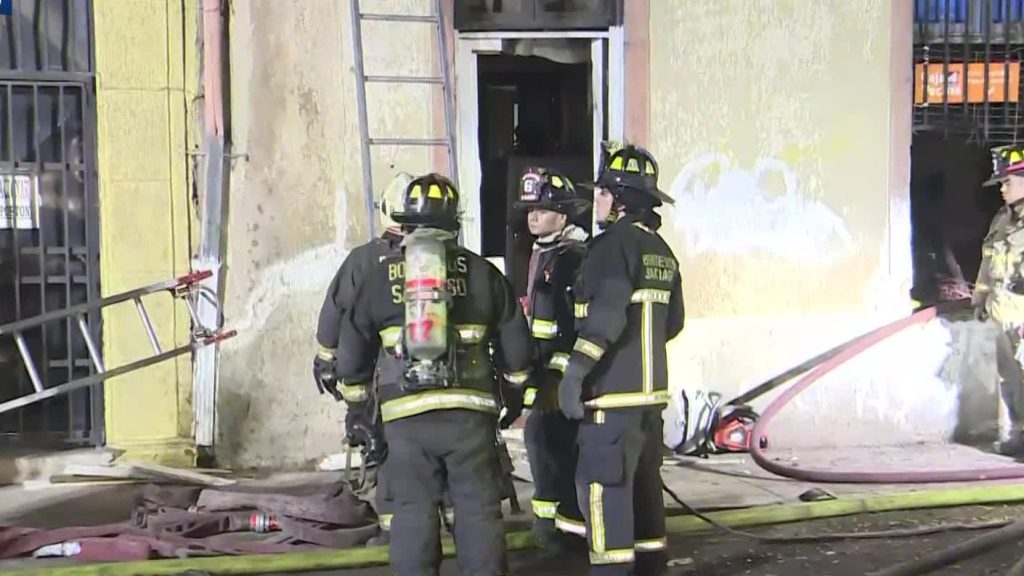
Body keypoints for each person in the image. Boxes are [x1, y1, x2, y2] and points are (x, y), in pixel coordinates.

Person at [334, 173, 534, 575]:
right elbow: (518, 350)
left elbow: (352, 349)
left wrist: (358, 411)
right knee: (478, 510)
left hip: (405, 418)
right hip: (470, 416)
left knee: (412, 511)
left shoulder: (381, 276)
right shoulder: (483, 274)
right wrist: (512, 397)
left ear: (405, 223)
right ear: (455, 224)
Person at [559, 142, 685, 576]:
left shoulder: (611, 247)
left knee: (603, 494)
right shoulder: (661, 251)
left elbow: (605, 318)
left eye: (603, 193)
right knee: (645, 493)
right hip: (650, 404)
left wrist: (575, 375)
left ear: (620, 200)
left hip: (609, 403)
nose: (597, 201)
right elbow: (674, 323)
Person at [312, 172, 454, 543]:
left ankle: (395, 527)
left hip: (378, 380)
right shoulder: (445, 258)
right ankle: (451, 521)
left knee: (385, 450)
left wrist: (326, 361)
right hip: (435, 376)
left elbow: (336, 313)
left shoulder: (364, 261)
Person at [511, 167, 590, 552]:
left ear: (563, 214)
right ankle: (549, 530)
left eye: (542, 208)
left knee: (553, 450)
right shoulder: (543, 253)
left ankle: (563, 537)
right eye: (529, 209)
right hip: (543, 373)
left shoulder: (571, 257)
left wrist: (558, 379)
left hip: (558, 380)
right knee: (542, 448)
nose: (533, 216)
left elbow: (572, 327)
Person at [974, 144, 1024, 456]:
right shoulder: (1002, 220)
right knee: (1011, 380)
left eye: (1007, 182)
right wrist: (980, 298)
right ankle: (1020, 435)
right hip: (1002, 312)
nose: (1002, 189)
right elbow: (988, 260)